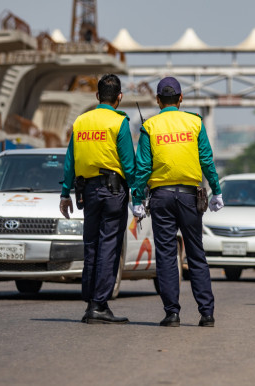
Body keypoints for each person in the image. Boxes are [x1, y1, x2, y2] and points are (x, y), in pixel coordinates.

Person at [133, 77, 223, 328]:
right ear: (181, 98)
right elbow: (206, 159)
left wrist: (137, 198)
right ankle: (207, 314)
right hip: (189, 197)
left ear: (158, 100)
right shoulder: (195, 122)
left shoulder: (150, 126)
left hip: (160, 197)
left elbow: (143, 168)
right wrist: (216, 190)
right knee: (195, 253)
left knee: (166, 255)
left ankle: (172, 313)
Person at [59, 74, 137, 324]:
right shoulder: (119, 122)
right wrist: (138, 193)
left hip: (87, 192)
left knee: (91, 245)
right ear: (119, 97)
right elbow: (128, 163)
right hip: (113, 192)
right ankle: (100, 305)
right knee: (109, 246)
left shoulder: (81, 121)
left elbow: (70, 160)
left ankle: (91, 301)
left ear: (97, 96)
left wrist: (64, 192)